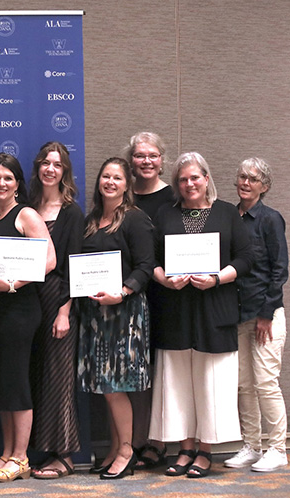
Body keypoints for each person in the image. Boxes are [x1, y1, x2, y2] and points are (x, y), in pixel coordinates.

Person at [149, 152, 253, 478]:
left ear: (206, 179)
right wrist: (165, 278)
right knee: (178, 382)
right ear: (177, 185)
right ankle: (184, 448)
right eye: (183, 179)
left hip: (215, 308)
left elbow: (247, 258)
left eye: (195, 177)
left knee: (211, 383)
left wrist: (217, 278)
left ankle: (206, 450)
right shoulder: (166, 214)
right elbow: (149, 260)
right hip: (176, 309)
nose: (189, 184)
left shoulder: (226, 214)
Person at [0, 153, 56, 482]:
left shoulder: (27, 215)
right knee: (3, 383)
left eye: (8, 178)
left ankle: (21, 456)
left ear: (18, 183)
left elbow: (48, 260)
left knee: (17, 382)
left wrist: (12, 283)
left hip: (20, 310)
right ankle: (7, 453)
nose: (1, 183)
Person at [78, 157, 154, 480]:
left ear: (127, 185)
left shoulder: (135, 220)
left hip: (124, 312)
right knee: (105, 385)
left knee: (115, 385)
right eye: (105, 176)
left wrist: (121, 293)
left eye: (117, 178)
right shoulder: (92, 219)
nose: (110, 182)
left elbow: (146, 266)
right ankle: (113, 447)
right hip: (96, 313)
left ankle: (127, 451)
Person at [224, 158, 288, 472]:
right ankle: (251, 445)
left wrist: (266, 312)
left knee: (265, 383)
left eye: (252, 178)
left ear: (264, 186)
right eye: (241, 177)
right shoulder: (228, 216)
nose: (245, 182)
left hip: (266, 314)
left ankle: (277, 447)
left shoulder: (270, 219)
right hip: (236, 313)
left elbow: (280, 271)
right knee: (243, 384)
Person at [26, 142, 85, 480]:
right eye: (45, 163)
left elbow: (73, 266)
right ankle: (45, 450)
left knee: (59, 378)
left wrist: (65, 312)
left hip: (59, 300)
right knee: (39, 374)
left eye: (57, 164)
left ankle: (64, 456)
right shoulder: (30, 207)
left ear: (65, 171)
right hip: (29, 300)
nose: (50, 169)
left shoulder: (72, 212)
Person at [125, 131, 174, 470]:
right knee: (136, 373)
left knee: (162, 371)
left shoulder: (173, 198)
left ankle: (158, 442)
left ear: (161, 160)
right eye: (140, 155)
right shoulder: (122, 196)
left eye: (152, 155)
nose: (146, 161)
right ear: (131, 161)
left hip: (169, 294)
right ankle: (136, 440)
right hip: (128, 297)